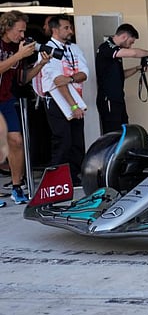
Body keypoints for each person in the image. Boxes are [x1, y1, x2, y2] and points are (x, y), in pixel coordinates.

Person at [0, 10, 50, 205]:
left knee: (16, 141)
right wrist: (19, 54)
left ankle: (16, 187)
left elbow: (22, 79)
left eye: (24, 31)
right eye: (19, 31)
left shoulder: (17, 48)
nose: (22, 35)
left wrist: (41, 63)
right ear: (6, 27)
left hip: (5, 99)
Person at [36, 14, 89, 187]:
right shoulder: (47, 49)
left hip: (76, 97)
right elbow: (58, 81)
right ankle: (55, 180)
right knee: (63, 140)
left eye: (70, 27)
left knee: (77, 141)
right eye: (66, 27)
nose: (70, 31)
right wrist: (73, 105)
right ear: (55, 29)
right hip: (58, 100)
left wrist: (72, 79)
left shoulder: (74, 48)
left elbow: (84, 73)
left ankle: (74, 177)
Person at [95, 23, 148, 135]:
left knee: (123, 131)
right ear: (124, 37)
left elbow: (121, 75)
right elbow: (133, 53)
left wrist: (138, 68)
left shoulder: (116, 52)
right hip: (109, 100)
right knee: (113, 134)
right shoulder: (107, 47)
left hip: (118, 99)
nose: (131, 46)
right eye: (131, 42)